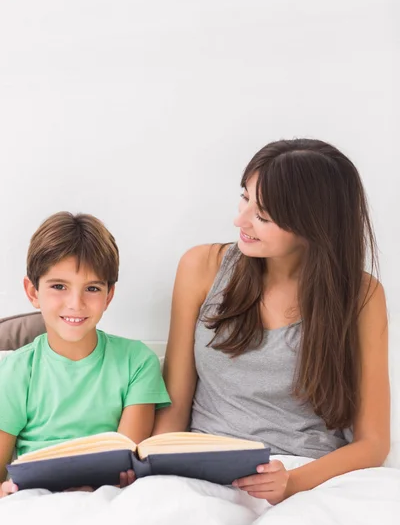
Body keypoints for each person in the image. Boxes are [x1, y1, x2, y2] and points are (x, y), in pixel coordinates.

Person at [153, 138, 390, 505]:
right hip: (206, 469)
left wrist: (293, 482)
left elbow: (373, 443)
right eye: (245, 197)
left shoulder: (361, 296)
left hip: (312, 477)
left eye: (262, 215)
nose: (240, 221)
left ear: (313, 225)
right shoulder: (201, 269)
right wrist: (154, 466)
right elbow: (173, 409)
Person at [0, 212, 170, 497]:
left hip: (107, 495)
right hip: (34, 499)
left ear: (109, 295)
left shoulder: (137, 362)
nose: (75, 304)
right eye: (59, 286)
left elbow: (125, 457)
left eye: (92, 288)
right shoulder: (14, 370)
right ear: (33, 291)